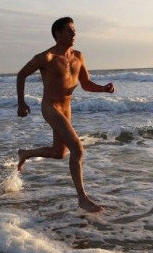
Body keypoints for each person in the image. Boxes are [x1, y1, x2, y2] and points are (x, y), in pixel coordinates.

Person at [15, 17, 115, 213]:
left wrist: (103, 88)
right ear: (58, 34)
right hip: (50, 106)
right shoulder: (47, 57)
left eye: (74, 30)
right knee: (77, 148)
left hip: (66, 108)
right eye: (69, 31)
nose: (74, 34)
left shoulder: (78, 57)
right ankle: (82, 198)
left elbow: (86, 84)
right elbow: (21, 74)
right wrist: (21, 102)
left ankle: (25, 153)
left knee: (59, 153)